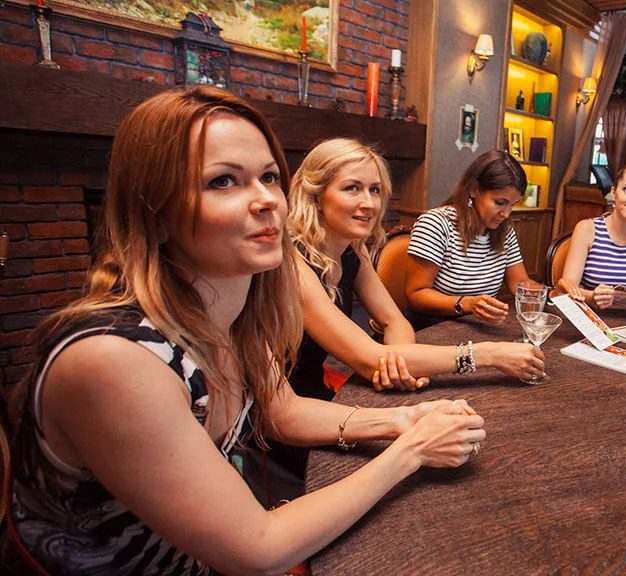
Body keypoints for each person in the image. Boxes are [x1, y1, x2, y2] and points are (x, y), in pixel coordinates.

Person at [2, 87, 484, 576]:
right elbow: (260, 549)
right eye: (223, 181)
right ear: (155, 215)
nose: (267, 200)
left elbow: (284, 411)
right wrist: (410, 451)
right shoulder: (116, 358)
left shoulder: (233, 314)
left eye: (270, 177)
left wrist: (402, 418)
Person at [274, 138, 545, 493]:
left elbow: (395, 321)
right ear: (315, 195)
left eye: (375, 190)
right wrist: (488, 354)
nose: (369, 203)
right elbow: (370, 358)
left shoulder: (352, 250)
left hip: (319, 394)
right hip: (283, 416)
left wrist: (396, 364)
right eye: (352, 188)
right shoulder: (293, 264)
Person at [406, 149, 535, 327]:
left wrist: (552, 294)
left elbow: (520, 283)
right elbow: (417, 295)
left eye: (512, 205)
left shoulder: (504, 231)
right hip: (434, 326)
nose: (506, 214)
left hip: (477, 326)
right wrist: (467, 304)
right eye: (499, 203)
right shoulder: (436, 224)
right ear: (474, 190)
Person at [556, 162, 626, 313]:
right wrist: (591, 296)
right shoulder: (587, 229)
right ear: (613, 192)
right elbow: (568, 286)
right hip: (590, 316)